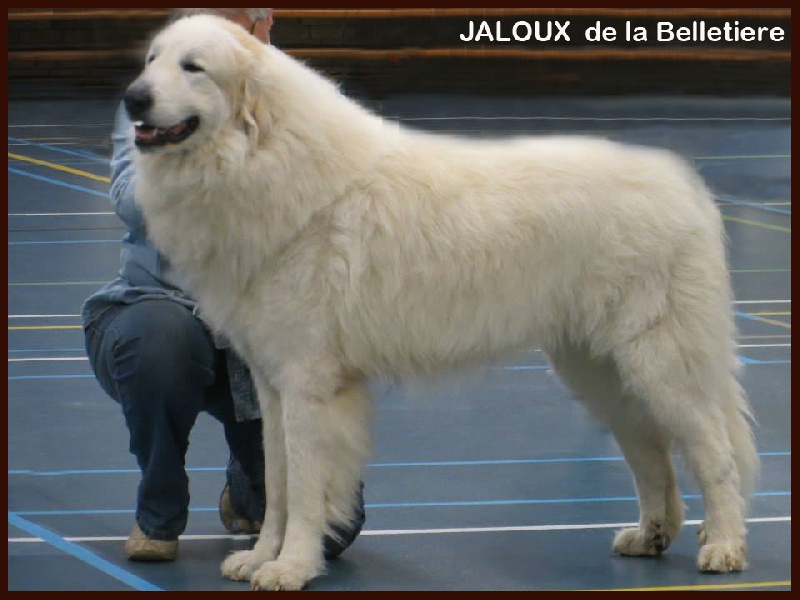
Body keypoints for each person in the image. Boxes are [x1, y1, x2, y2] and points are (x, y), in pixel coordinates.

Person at [82, 7, 365, 562]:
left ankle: (247, 483)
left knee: (335, 534)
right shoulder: (161, 97)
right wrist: (204, 174)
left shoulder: (303, 102)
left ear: (264, 26)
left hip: (268, 332)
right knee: (160, 342)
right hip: (163, 309)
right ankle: (160, 507)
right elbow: (124, 201)